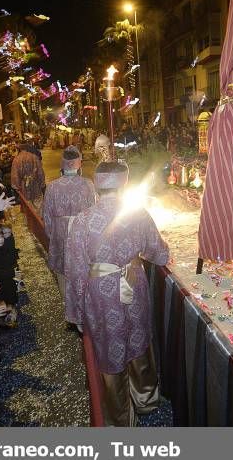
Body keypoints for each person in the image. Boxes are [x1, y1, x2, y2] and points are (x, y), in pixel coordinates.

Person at [64, 162, 170, 426]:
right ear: (124, 184)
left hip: (101, 294)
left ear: (97, 185)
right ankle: (146, 399)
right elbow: (159, 252)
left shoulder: (82, 221)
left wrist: (76, 313)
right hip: (134, 283)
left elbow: (76, 271)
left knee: (110, 350)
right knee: (138, 338)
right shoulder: (138, 214)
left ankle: (120, 420)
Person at [42, 146, 96, 308]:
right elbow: (94, 212)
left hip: (61, 235)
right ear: (79, 164)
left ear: (63, 164)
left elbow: (47, 217)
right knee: (83, 271)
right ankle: (84, 305)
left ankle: (68, 305)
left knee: (63, 273)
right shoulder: (88, 184)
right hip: (82, 235)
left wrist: (54, 236)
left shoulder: (52, 187)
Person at [10, 139, 46, 207]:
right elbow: (40, 173)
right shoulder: (34, 157)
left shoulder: (16, 160)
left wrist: (17, 188)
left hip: (24, 190)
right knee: (38, 208)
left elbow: (15, 178)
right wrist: (43, 185)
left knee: (28, 210)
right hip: (36, 187)